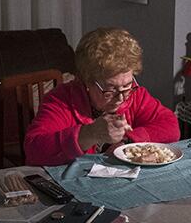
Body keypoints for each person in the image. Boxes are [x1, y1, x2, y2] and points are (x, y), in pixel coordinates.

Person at [24, 28, 180, 166]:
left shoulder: (135, 94)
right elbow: (33, 150)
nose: (121, 98)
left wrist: (129, 141)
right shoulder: (61, 100)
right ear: (86, 81)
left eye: (126, 85)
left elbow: (171, 126)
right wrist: (89, 134)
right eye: (110, 89)